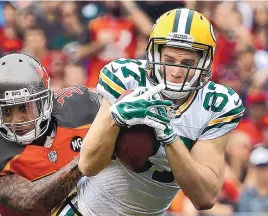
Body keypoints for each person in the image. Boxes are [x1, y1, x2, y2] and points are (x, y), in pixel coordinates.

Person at [53, 8, 245, 216]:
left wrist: (170, 138)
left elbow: (205, 197)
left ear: (204, 63)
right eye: (169, 60)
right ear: (154, 54)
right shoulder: (128, 78)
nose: (176, 72)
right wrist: (114, 119)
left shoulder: (215, 104)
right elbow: (88, 165)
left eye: (188, 63)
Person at [0, 53, 100, 216]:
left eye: (24, 108)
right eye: (6, 111)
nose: (16, 119)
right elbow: (30, 202)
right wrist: (86, 160)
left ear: (44, 102)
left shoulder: (79, 106)